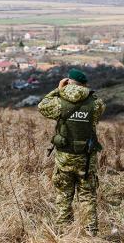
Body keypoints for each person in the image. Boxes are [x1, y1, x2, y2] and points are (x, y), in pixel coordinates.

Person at [38, 68, 106, 236]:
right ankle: (91, 234)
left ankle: (63, 233)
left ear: (68, 82)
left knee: (63, 197)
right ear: (85, 84)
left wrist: (59, 89)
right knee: (87, 197)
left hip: (64, 159)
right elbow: (99, 108)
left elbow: (42, 106)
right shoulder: (96, 103)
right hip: (86, 159)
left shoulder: (59, 101)